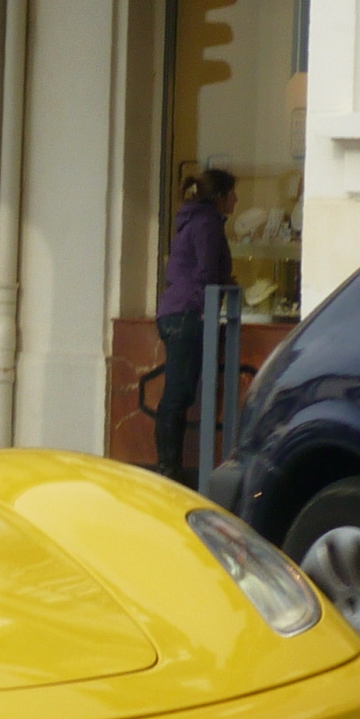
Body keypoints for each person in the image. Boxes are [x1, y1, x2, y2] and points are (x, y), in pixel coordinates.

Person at [153, 168, 237, 486]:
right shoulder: (207, 224)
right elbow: (205, 273)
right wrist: (212, 301)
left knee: (178, 393)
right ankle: (167, 469)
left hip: (175, 312)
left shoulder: (194, 221)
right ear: (220, 197)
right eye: (232, 194)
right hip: (187, 314)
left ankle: (167, 466)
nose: (237, 200)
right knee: (178, 394)